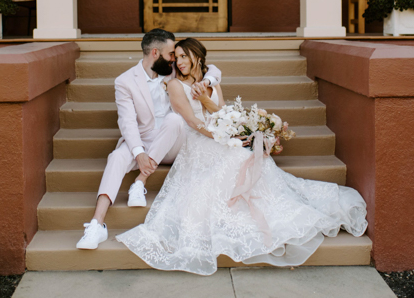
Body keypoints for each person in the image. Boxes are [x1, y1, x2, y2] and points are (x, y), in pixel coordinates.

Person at [116, 38, 368, 275]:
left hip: (217, 133)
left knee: (249, 155)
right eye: (177, 58)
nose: (179, 62)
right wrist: (225, 138)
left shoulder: (211, 82)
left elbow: (221, 111)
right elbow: (191, 121)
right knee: (237, 155)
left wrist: (212, 104)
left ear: (197, 57)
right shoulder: (174, 84)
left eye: (184, 56)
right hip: (196, 140)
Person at [76, 30, 222, 250]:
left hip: (175, 141)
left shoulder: (173, 70)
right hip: (142, 141)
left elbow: (211, 69)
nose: (176, 58)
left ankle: (141, 180)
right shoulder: (124, 81)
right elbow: (127, 123)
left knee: (174, 120)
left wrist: (208, 80)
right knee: (116, 157)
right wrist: (138, 153)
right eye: (172, 53)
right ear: (156, 53)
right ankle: (97, 225)